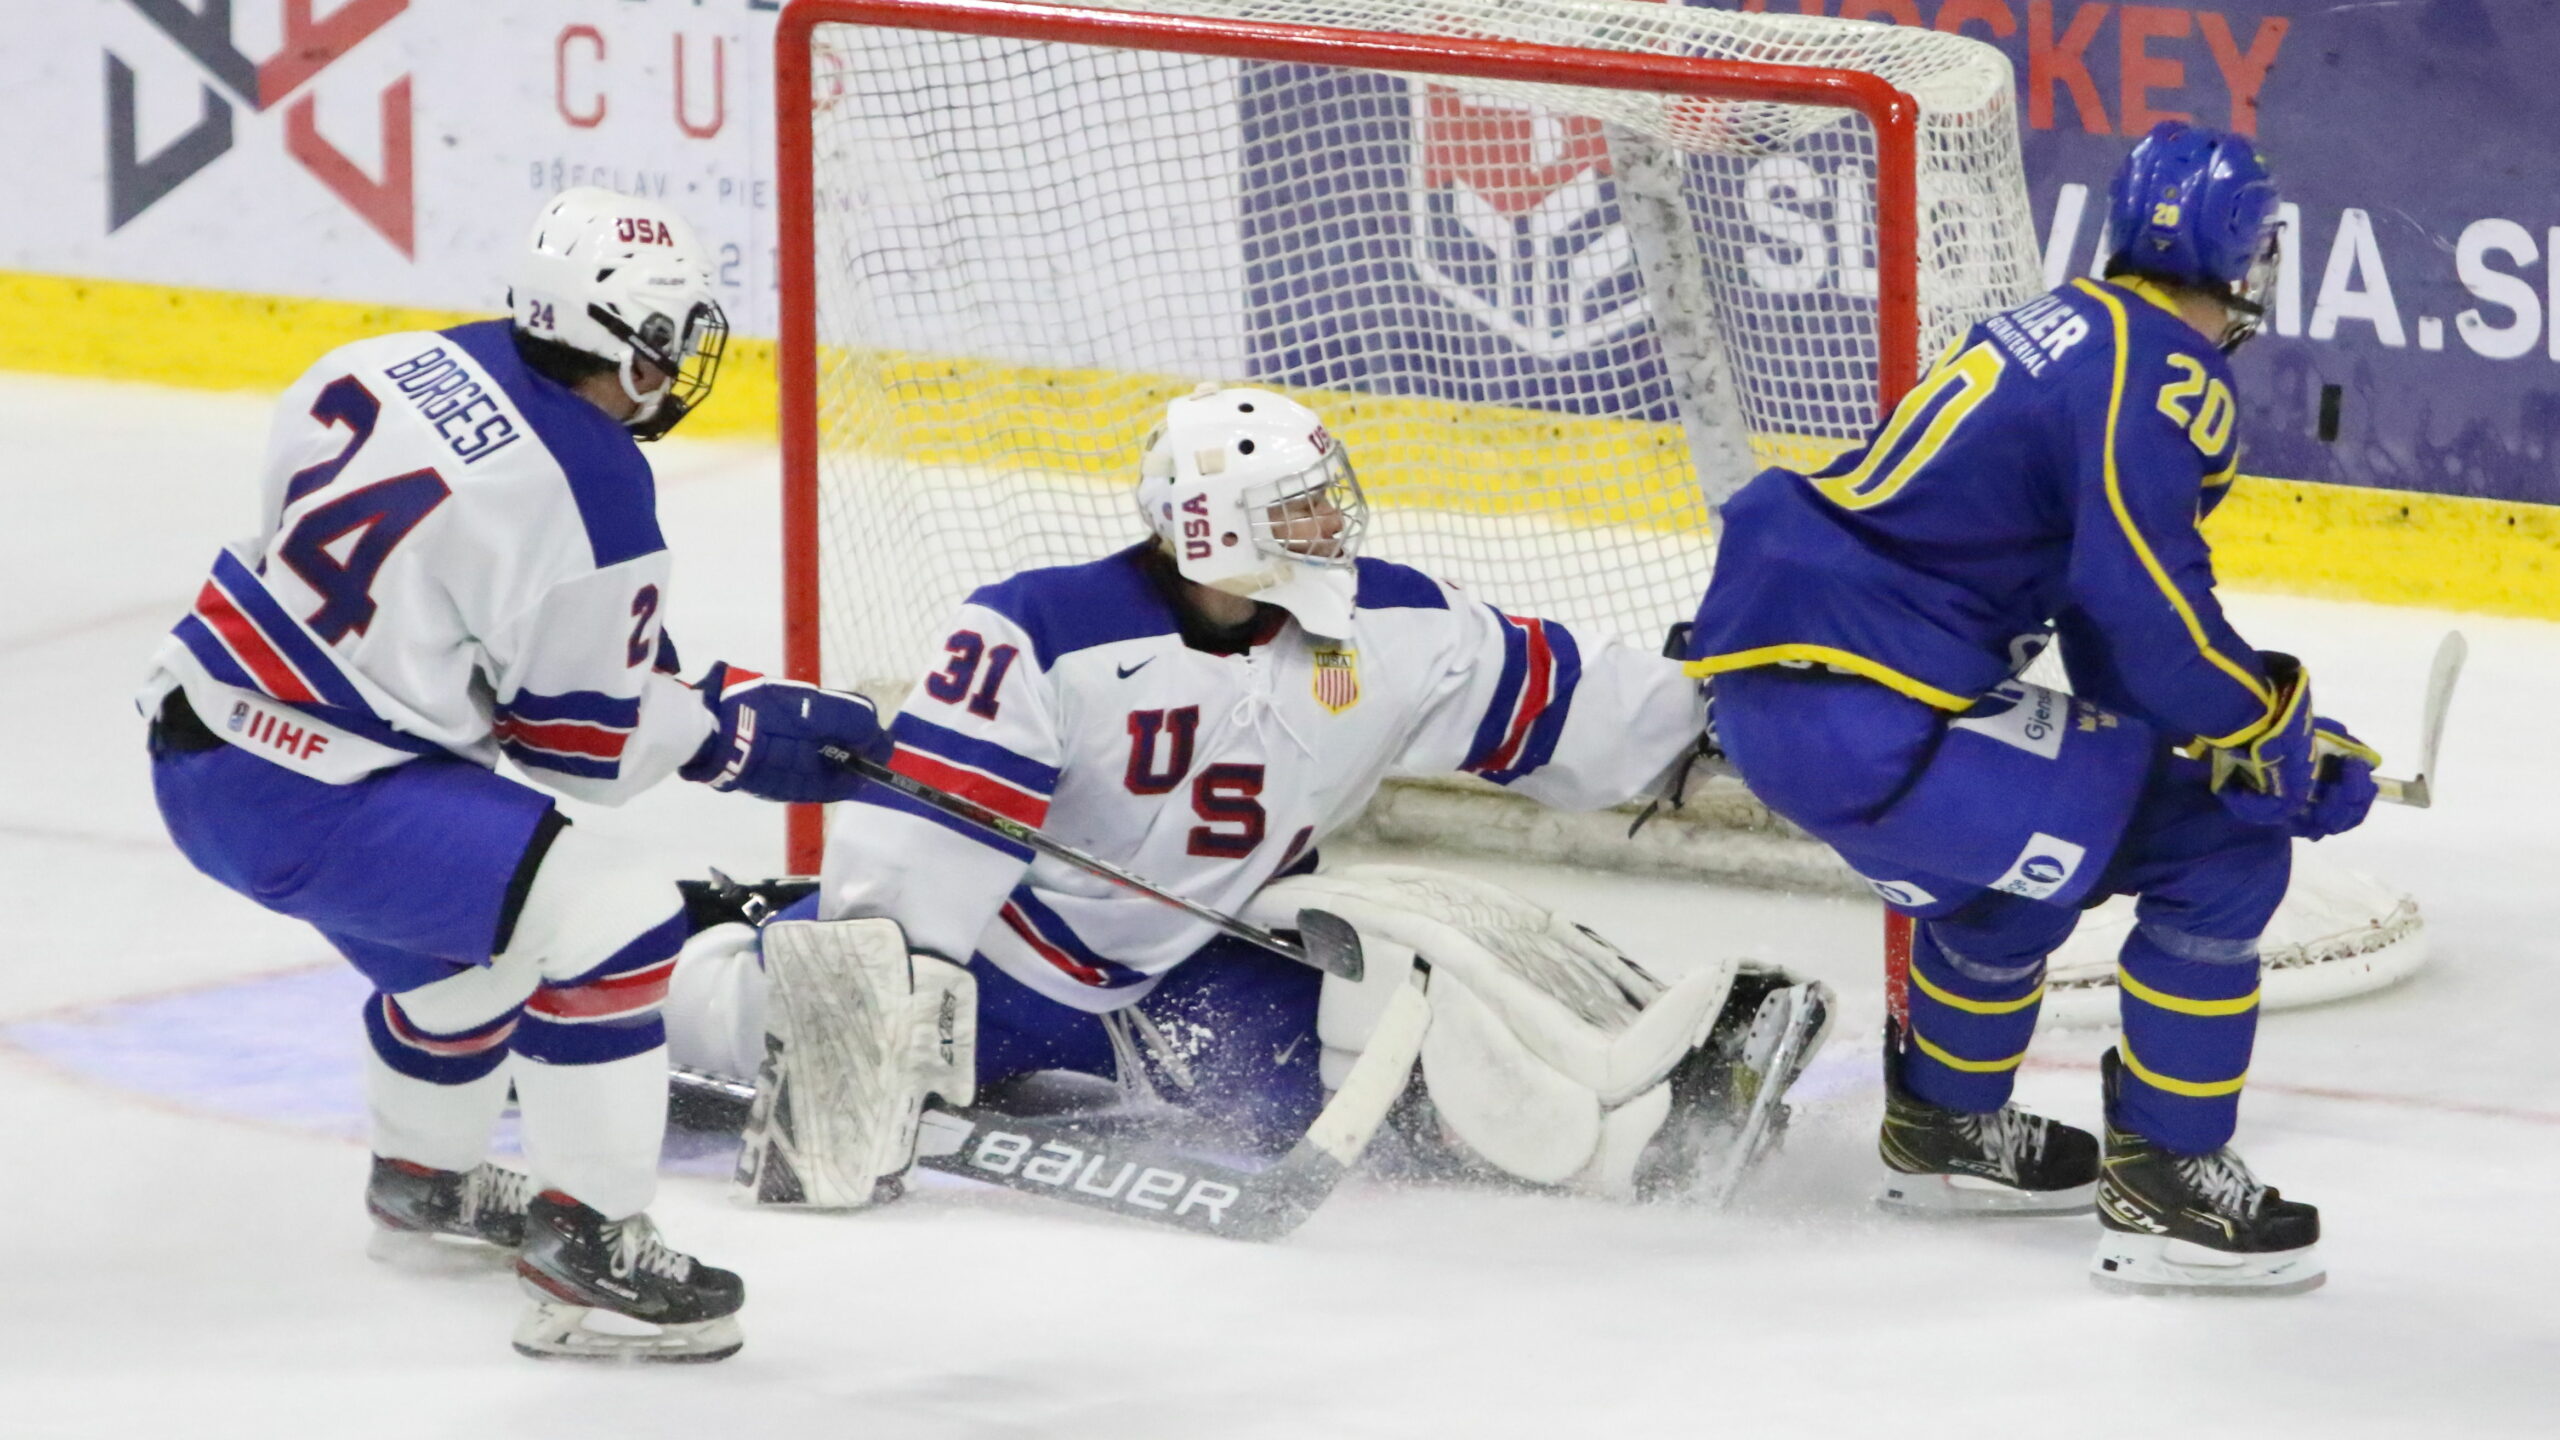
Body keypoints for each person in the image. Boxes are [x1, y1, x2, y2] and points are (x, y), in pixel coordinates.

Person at [663, 383, 1833, 1211]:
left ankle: (1658, 1118)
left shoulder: (1386, 625)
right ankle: (650, 973)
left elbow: (1555, 699)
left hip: (1190, 963)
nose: (1333, 524)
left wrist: (1731, 722)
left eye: (1326, 499)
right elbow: (924, 848)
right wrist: (866, 1007)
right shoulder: (1039, 630)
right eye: (1298, 509)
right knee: (746, 1008)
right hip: (998, 966)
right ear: (1215, 527)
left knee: (1389, 1059)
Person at [138, 187, 892, 1361]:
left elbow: (473, 605)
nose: (677, 365)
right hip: (319, 790)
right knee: (617, 925)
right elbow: (573, 749)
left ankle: (425, 1186)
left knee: (472, 968)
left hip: (198, 747)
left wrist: (688, 688)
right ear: (630, 341)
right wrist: (727, 735)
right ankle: (591, 1254)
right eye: (672, 338)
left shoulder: (388, 361)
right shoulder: (591, 483)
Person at [1684, 121, 2376, 1295]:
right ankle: (2166, 1185)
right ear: (2241, 253)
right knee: (2218, 841)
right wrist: (2264, 722)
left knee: (2026, 854)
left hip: (1795, 695)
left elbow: (2108, 646)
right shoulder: (2161, 367)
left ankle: (1945, 1129)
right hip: (1874, 710)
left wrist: (2239, 727)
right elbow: (2144, 607)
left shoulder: (2057, 323)